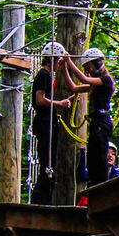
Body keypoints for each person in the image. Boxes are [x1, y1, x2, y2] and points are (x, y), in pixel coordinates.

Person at [30, 41, 85, 205]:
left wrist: (62, 101)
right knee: (48, 164)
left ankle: (41, 198)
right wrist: (59, 104)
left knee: (49, 162)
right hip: (45, 123)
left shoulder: (46, 75)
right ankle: (43, 200)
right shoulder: (44, 75)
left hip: (46, 122)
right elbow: (40, 100)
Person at [63, 47, 115, 186]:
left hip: (102, 122)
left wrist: (69, 62)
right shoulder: (95, 83)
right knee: (91, 158)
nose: (88, 71)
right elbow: (74, 88)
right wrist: (64, 68)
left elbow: (83, 78)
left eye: (88, 67)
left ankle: (102, 184)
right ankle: (94, 183)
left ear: (97, 63)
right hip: (96, 122)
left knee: (100, 156)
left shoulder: (105, 80)